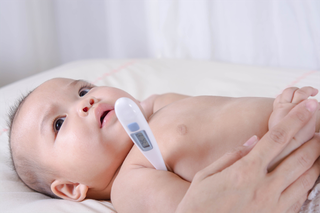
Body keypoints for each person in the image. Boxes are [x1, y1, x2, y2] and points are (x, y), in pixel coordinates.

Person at [8, 78, 320, 212]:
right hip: (301, 182)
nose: (85, 103)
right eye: (58, 123)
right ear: (71, 188)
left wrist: (283, 108)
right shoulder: (131, 181)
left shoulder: (158, 104)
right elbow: (215, 201)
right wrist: (280, 132)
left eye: (82, 90)